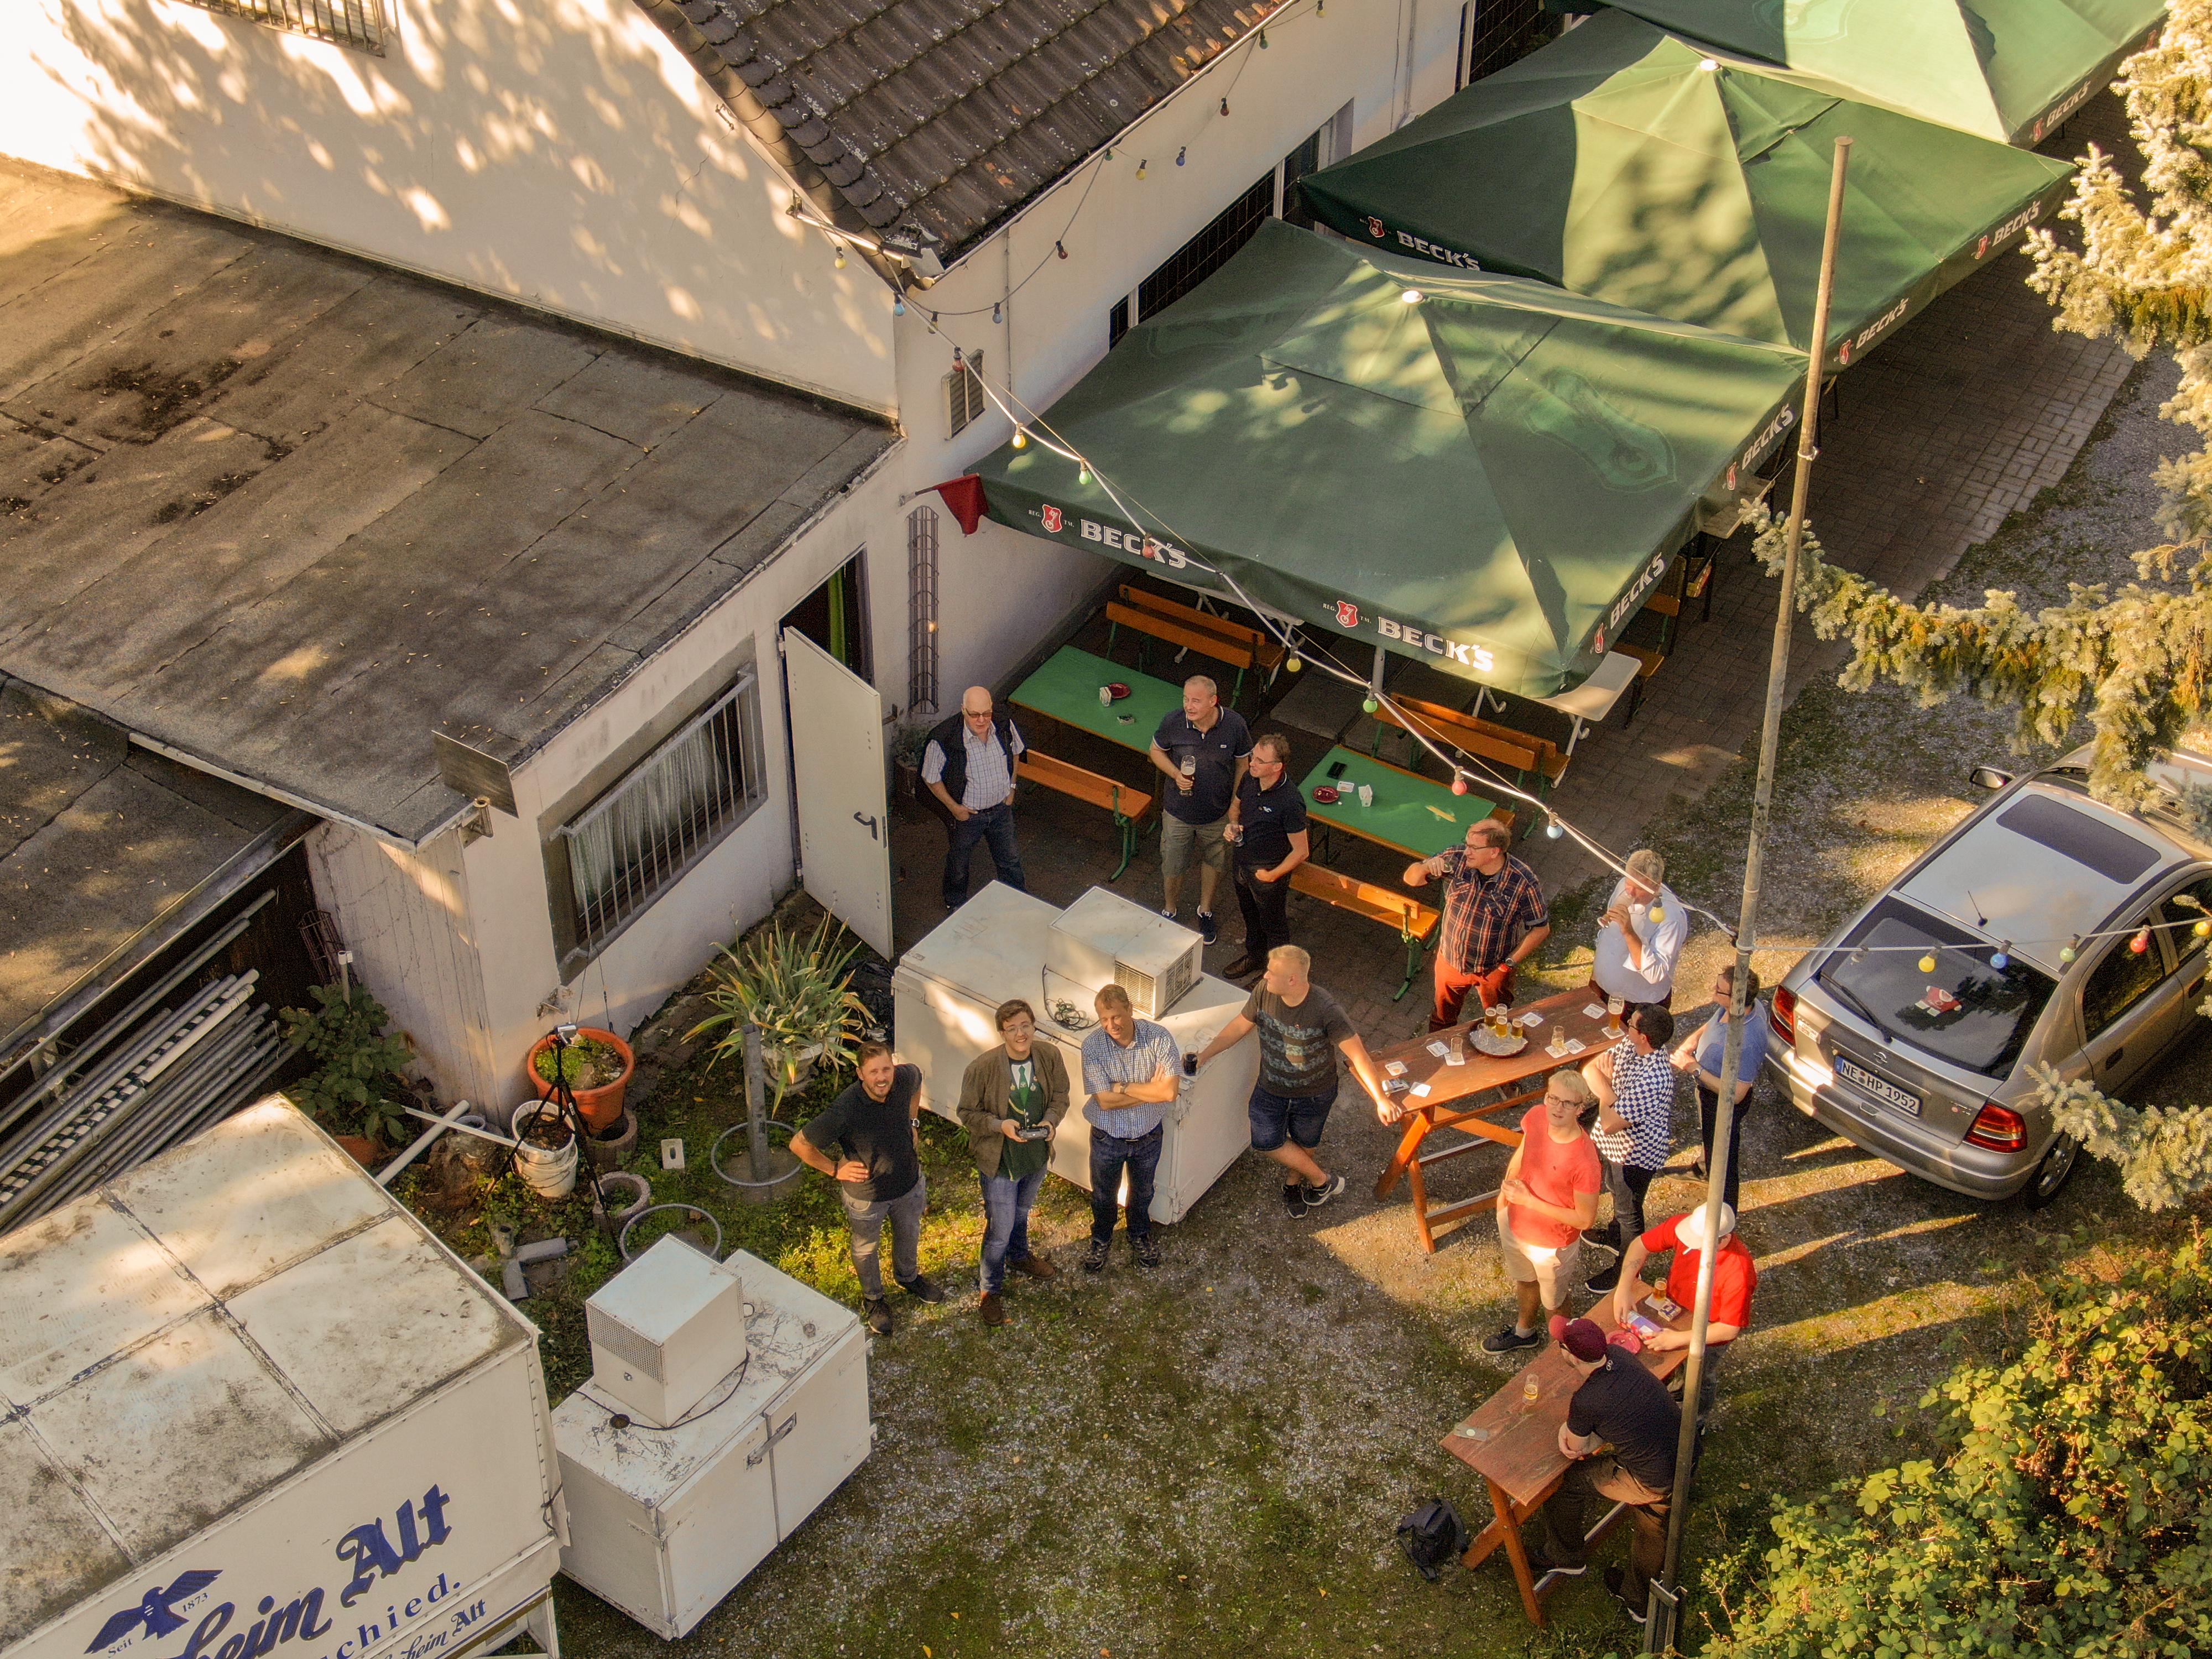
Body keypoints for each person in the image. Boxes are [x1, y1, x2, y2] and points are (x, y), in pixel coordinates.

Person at [1190, 945, 1389, 1218]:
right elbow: (1240, 1025)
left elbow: (1359, 1055)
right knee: (1265, 1140)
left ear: (1292, 980)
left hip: (1315, 1093)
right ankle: (1322, 1181)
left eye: (1271, 973)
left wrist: (1381, 1099)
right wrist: (1205, 1055)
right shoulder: (1264, 993)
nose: (1264, 977)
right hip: (1271, 1087)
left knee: (1306, 1141)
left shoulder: (1325, 1009)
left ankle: (1293, 1184)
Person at [1528, 1315, 1682, 1623]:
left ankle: (1565, 1555)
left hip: (1650, 1481)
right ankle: (1639, 1603)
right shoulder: (1621, 1356)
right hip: (1682, 1455)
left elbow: (1576, 1448)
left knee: (1569, 1482)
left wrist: (1566, 1429)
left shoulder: (1586, 1400)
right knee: (1654, 1526)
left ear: (1571, 1356)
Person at [792, 1042, 947, 1335]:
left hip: (909, 1185)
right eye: (873, 1072)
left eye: (886, 1069)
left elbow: (917, 1079)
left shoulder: (905, 1078)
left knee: (909, 1232)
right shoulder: (846, 1108)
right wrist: (835, 1169)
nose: (882, 1078)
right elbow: (799, 1144)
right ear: (860, 1074)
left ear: (893, 1066)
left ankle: (908, 1277)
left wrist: (913, 1121)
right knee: (866, 1248)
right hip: (867, 1198)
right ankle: (874, 1299)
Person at [955, 999, 1071, 1327]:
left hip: (1035, 1158)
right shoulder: (983, 1067)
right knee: (999, 1230)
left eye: (1025, 1026)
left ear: (1034, 1026)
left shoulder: (1048, 1056)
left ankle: (1019, 1257)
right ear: (1001, 1032)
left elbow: (1061, 1094)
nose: (1020, 1034)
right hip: (1002, 1164)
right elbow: (966, 1113)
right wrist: (999, 1126)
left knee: (1021, 1214)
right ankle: (990, 1290)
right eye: (1012, 1029)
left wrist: (1050, 1121)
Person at [1485, 1071, 1603, 1354]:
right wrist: (1509, 1184)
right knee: (1524, 1281)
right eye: (1553, 1099)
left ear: (1580, 1109)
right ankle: (1524, 1331)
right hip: (1514, 1222)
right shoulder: (1538, 1116)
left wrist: (1529, 1201)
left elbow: (1586, 1220)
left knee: (1555, 1302)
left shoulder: (1585, 1161)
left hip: (1551, 1244)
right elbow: (1526, 1147)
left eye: (1567, 1104)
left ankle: (1560, 1352)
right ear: (1545, 1097)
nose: (1557, 1108)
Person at [1608, 1201, 1757, 1416]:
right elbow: (1641, 1245)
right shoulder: (1687, 1225)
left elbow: (1729, 1328)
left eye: (1699, 1244)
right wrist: (1623, 1288)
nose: (1691, 1244)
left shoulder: (1739, 1272)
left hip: (1710, 1329)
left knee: (1699, 1378)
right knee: (1670, 1366)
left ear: (1723, 1239)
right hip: (1673, 1310)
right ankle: (1672, 1394)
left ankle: (1696, 1419)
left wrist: (1678, 1339)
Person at [1401, 817, 1551, 1032]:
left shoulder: (1522, 882)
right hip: (1451, 962)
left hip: (1493, 969)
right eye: (1467, 843)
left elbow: (1541, 928)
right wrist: (1425, 867)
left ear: (1494, 852)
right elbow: (1411, 879)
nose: (1467, 851)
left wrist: (1507, 965)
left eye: (1474, 847)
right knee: (1441, 1021)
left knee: (1497, 1023)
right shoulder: (1455, 859)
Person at [1078, 983, 1182, 1271]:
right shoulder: (1092, 1046)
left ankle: (1139, 1234)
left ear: (1130, 1011)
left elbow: (1170, 1093)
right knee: (1103, 1194)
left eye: (1116, 1017)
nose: (1111, 1025)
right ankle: (1101, 1238)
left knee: (1143, 1192)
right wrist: (1151, 1090)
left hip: (1149, 1136)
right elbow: (1105, 1102)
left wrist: (1122, 1088)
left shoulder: (1158, 1037)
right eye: (1104, 1020)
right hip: (1107, 1138)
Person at [1581, 1004, 1678, 1293]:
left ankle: (1628, 1269)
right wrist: (1611, 1095)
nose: (1626, 1026)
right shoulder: (1633, 1044)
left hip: (1635, 1155)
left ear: (1645, 1037)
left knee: (1630, 1212)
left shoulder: (1654, 1078)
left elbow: (1611, 1122)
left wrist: (1607, 1088)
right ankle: (1614, 1236)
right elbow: (1589, 1070)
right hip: (1616, 1146)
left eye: (1632, 1025)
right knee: (1613, 1187)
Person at [1150, 675, 1253, 944]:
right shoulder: (1173, 721)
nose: (1188, 705)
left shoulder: (1235, 725)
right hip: (1177, 812)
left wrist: (1235, 805)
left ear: (1213, 701)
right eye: (1185, 698)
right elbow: (1155, 751)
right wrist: (1175, 773)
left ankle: (1205, 910)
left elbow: (1243, 765)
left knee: (1215, 862)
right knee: (1172, 863)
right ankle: (1170, 909)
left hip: (1217, 814)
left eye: (1195, 700)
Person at [1671, 964, 1768, 1211]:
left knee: (1723, 1159)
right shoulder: (1739, 1008)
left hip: (1721, 1102)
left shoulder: (1746, 1041)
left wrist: (1693, 1068)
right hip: (1707, 1090)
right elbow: (1713, 1022)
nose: (1714, 991)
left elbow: (1736, 1094)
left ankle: (1725, 1215)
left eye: (1720, 990)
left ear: (1736, 999)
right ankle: (1704, 1169)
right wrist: (1693, 1040)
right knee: (1709, 1138)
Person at [922, 687, 1026, 910]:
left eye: (986, 713)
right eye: (974, 714)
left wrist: (1012, 788)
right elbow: (930, 778)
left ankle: (1019, 901)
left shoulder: (1003, 725)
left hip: (1001, 809)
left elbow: (1016, 752)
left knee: (1010, 860)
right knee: (959, 863)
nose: (981, 720)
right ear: (963, 711)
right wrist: (954, 808)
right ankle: (955, 904)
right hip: (968, 817)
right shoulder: (945, 738)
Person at [1220, 731, 1309, 981]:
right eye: (1253, 757)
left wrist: (1273, 875)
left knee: (1275, 927)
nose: (1252, 764)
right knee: (1250, 915)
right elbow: (1235, 807)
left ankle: (1277, 973)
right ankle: (1255, 957)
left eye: (1260, 761)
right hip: (1242, 862)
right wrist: (1233, 825)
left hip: (1268, 870)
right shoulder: (1250, 779)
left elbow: (1302, 851)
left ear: (1278, 767)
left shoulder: (1290, 801)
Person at [1591, 849, 1687, 1008]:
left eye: (1639, 888)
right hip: (1601, 988)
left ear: (1656, 885)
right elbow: (1608, 935)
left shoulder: (1672, 917)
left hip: (1636, 1003)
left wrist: (1628, 932)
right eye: (1629, 883)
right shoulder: (1623, 886)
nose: (1630, 892)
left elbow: (1656, 973)